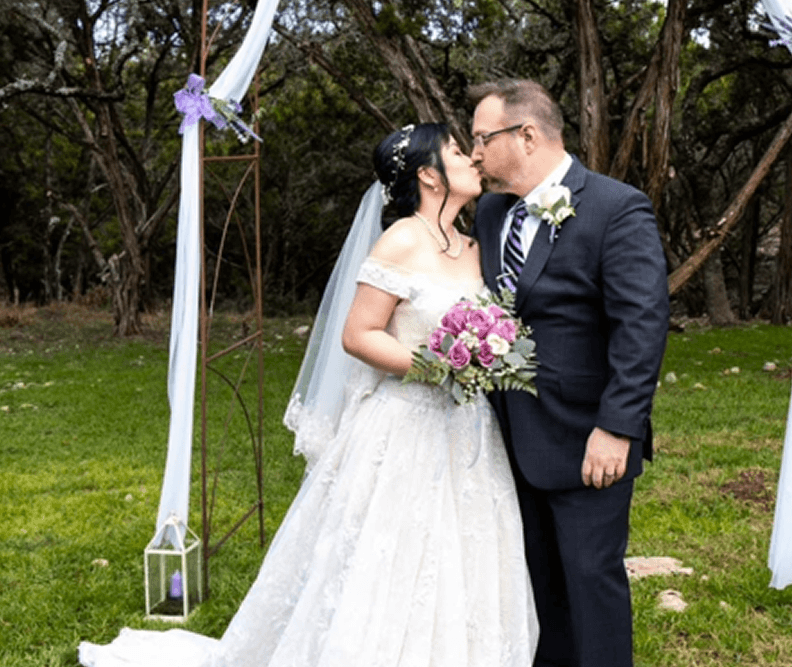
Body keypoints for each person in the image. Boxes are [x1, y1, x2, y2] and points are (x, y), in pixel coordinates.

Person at [79, 123, 538, 667]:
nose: (472, 158)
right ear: (427, 174)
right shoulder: (402, 239)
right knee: (388, 556)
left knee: (465, 552)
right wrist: (434, 365)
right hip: (405, 425)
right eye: (458, 151)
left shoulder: (473, 243)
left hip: (466, 428)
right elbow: (358, 334)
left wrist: (486, 354)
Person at [469, 80, 670, 667]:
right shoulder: (488, 211)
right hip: (505, 435)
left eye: (483, 139)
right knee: (534, 584)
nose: (476, 153)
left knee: (590, 581)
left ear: (526, 135)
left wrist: (618, 426)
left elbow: (642, 323)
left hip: (587, 438)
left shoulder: (616, 206)